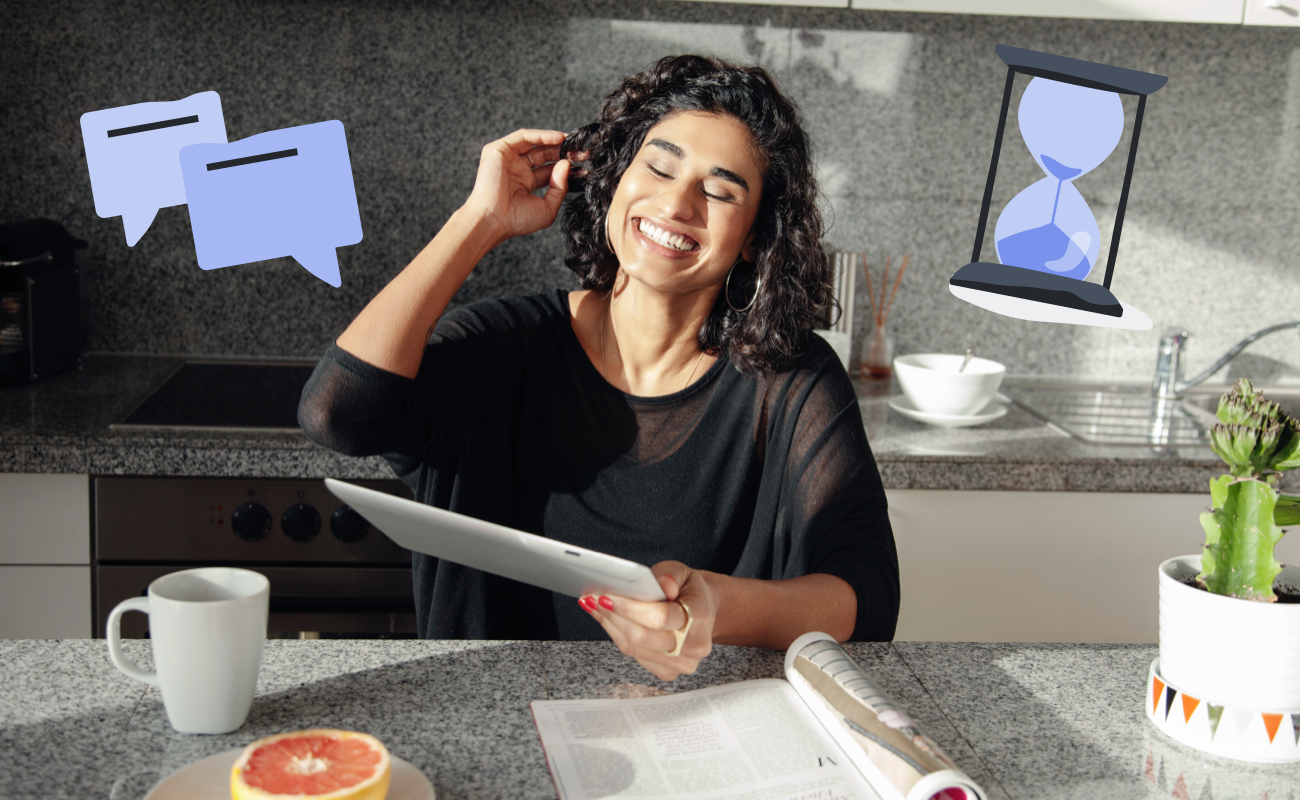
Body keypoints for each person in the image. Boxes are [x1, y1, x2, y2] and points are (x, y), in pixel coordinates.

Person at [299, 55, 899, 681]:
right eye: (659, 167)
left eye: (720, 191)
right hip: (494, 721)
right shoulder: (506, 346)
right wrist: (479, 220)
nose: (676, 203)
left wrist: (716, 606)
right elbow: (337, 413)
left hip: (693, 726)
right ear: (617, 178)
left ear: (753, 237)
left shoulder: (790, 381)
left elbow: (868, 596)